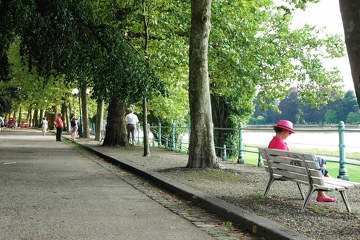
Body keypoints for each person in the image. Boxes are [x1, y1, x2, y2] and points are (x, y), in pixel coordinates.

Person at [268, 120, 337, 202]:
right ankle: (325, 189)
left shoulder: (273, 142)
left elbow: (284, 161)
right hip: (292, 172)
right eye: (289, 133)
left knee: (318, 162)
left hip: (280, 171)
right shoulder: (281, 144)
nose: (289, 135)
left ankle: (323, 190)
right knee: (320, 168)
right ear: (284, 131)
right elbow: (289, 162)